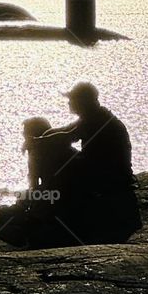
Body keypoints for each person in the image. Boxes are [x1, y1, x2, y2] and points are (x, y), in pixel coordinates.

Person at [38, 81, 140, 240]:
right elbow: (66, 129)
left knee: (56, 152)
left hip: (107, 176)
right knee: (54, 149)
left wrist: (38, 141)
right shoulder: (93, 116)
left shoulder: (97, 120)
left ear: (82, 101)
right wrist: (43, 136)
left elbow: (67, 137)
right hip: (99, 170)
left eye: (72, 99)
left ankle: (48, 204)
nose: (69, 103)